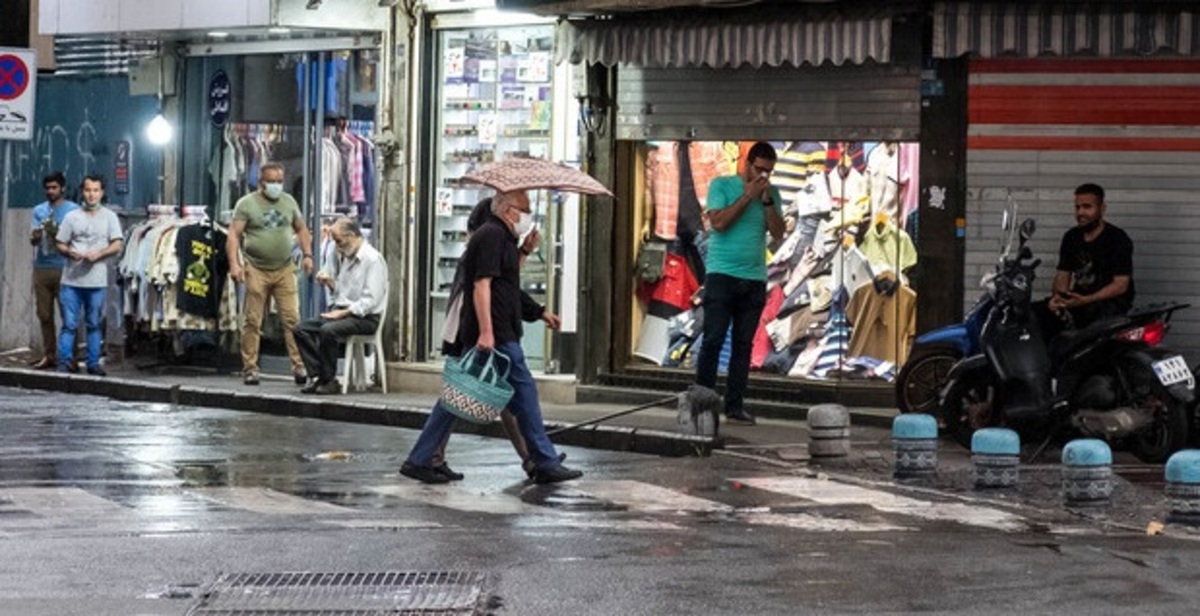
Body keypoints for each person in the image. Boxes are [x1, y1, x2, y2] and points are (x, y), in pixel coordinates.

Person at [401, 191, 581, 485]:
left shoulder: (503, 238)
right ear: (510, 210)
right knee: (524, 394)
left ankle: (420, 458)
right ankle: (543, 461)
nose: (528, 214)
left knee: (457, 397)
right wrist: (486, 332)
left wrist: (525, 252)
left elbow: (505, 284)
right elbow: (481, 286)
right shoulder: (491, 235)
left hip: (498, 330)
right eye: (525, 208)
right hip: (496, 334)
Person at [694, 142, 786, 426]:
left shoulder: (772, 193)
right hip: (722, 275)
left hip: (754, 277)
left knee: (743, 345)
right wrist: (747, 197)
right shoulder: (721, 185)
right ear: (747, 163)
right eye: (759, 169)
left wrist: (767, 200)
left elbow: (778, 232)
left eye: (769, 172)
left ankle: (735, 405)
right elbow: (719, 223)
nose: (763, 177)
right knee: (712, 340)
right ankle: (703, 403)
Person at [226, 162, 314, 386]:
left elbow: (301, 228)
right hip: (256, 268)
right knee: (253, 320)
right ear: (261, 182)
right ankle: (250, 367)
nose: (276, 185)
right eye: (271, 181)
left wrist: (308, 255)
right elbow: (234, 235)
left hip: (285, 268)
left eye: (279, 181)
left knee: (292, 319)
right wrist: (235, 264)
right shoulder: (246, 204)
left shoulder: (289, 202)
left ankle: (299, 365)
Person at [295, 217, 388, 395]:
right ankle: (319, 376)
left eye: (338, 240)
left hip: (365, 317)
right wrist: (330, 282)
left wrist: (343, 313)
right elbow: (342, 292)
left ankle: (329, 381)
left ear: (352, 235)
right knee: (301, 329)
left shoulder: (372, 260)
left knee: (328, 330)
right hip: (343, 312)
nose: (337, 246)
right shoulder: (344, 255)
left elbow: (370, 301)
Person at [54, 175, 123, 376]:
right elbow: (60, 242)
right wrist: (68, 252)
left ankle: (93, 363)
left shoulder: (110, 217)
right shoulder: (72, 217)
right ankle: (65, 361)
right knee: (69, 324)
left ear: (101, 192)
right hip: (71, 280)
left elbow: (117, 244)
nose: (91, 194)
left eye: (95, 190)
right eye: (87, 190)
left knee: (94, 323)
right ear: (82, 192)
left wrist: (99, 254)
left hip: (96, 280)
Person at [1046, 183, 1134, 331]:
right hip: (1079, 301)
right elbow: (1063, 274)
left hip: (1109, 304)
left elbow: (1121, 284)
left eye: (1087, 207)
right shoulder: (1071, 237)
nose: (1081, 213)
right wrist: (1058, 299)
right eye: (1077, 207)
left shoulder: (1117, 238)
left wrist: (1087, 300)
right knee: (1037, 316)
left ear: (1102, 209)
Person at [29, 172, 80, 370]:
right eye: (48, 188)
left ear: (62, 188)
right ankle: (49, 354)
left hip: (65, 267)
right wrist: (35, 236)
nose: (51, 191)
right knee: (44, 314)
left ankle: (70, 356)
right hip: (42, 267)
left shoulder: (72, 210)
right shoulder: (39, 210)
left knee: (68, 314)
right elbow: (33, 241)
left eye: (54, 188)